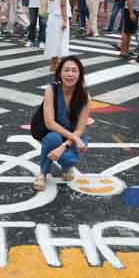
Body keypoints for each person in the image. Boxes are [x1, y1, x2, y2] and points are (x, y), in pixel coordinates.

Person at [33, 55, 90, 192]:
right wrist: (75, 138)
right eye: (66, 70)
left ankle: (66, 167)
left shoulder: (85, 96)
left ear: (80, 74)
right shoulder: (51, 90)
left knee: (69, 158)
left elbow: (80, 128)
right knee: (52, 139)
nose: (70, 74)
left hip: (72, 135)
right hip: (53, 131)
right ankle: (43, 173)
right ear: (59, 73)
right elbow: (50, 123)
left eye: (74, 70)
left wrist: (64, 146)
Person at [45, 0, 71, 73]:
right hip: (60, 17)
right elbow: (63, 5)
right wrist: (65, 20)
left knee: (53, 42)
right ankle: (58, 65)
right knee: (61, 42)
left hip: (52, 17)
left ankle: (53, 65)